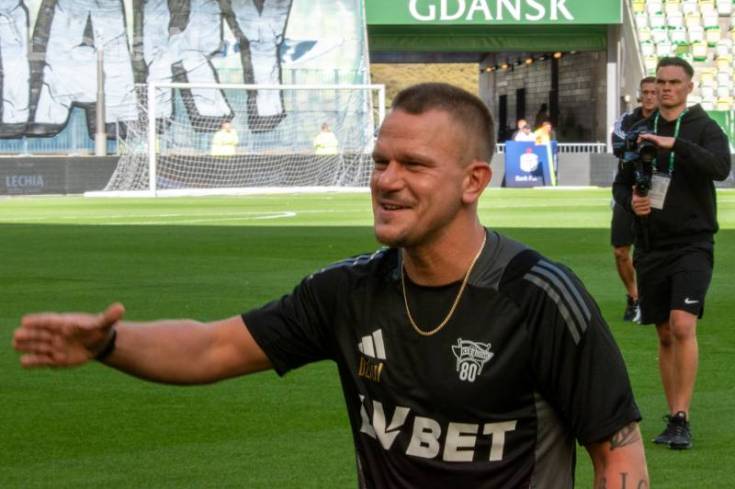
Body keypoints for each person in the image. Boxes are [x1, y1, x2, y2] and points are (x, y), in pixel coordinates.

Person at [14, 83, 648, 488]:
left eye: (414, 165)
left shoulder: (539, 297)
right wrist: (108, 343)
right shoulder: (346, 292)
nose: (387, 180)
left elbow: (618, 455)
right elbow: (213, 347)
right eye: (381, 162)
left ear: (473, 181)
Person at [613, 57, 731, 450]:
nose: (666, 88)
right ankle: (672, 416)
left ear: (689, 87)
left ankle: (681, 417)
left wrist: (676, 144)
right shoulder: (640, 131)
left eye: (674, 82)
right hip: (651, 245)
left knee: (682, 325)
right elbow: (621, 183)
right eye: (661, 82)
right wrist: (631, 202)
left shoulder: (704, 127)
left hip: (693, 242)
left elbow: (720, 167)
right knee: (664, 333)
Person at [610, 76, 658, 322]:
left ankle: (653, 298)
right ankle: (633, 296)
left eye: (653, 92)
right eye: (645, 92)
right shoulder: (627, 120)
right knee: (620, 249)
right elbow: (618, 145)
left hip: (658, 191)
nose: (649, 96)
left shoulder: (666, 121)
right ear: (640, 94)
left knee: (653, 249)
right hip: (628, 189)